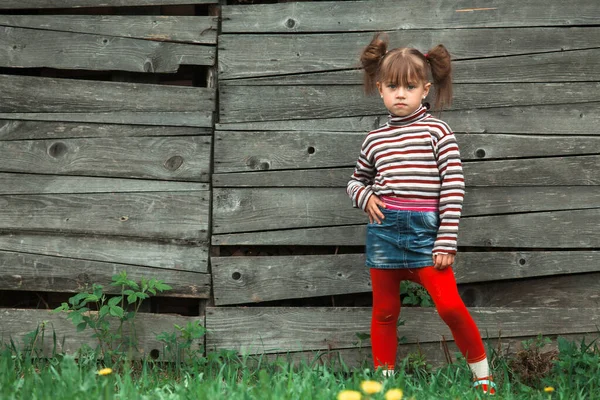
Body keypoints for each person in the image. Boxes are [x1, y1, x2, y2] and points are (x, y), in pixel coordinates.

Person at [346, 33, 495, 395]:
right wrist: (364, 195)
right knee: (384, 313)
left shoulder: (438, 132)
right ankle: (384, 385)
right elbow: (355, 180)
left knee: (450, 308)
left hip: (427, 237)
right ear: (379, 89)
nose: (400, 94)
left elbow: (454, 188)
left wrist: (446, 238)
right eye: (393, 86)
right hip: (383, 233)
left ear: (424, 89)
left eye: (409, 87)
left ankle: (484, 380)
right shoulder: (374, 139)